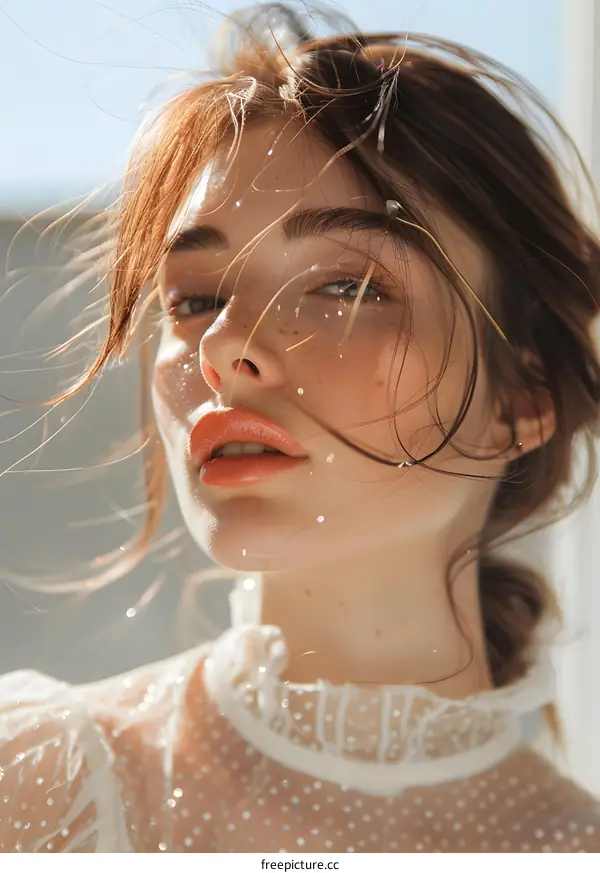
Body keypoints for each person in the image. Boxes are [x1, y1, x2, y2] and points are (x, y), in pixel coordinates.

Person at [2, 2, 600, 853]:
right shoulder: (33, 789)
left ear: (524, 395)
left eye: (348, 287)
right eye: (195, 299)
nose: (224, 345)